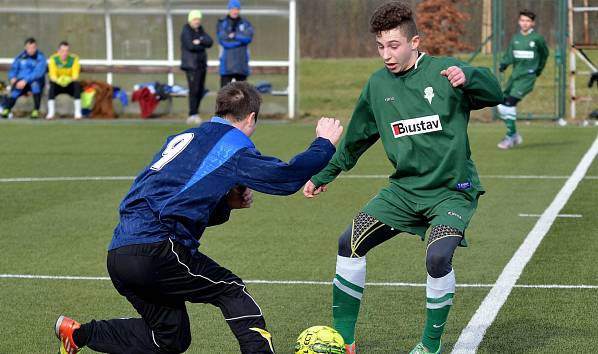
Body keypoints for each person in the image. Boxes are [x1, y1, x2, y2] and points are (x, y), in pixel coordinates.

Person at [54, 81, 343, 354]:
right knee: (230, 290)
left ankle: (78, 334)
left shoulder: (183, 137)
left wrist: (225, 204)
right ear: (252, 117)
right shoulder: (233, 145)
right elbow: (285, 178)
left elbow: (174, 199)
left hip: (120, 253)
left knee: (170, 338)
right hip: (157, 248)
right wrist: (324, 144)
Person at [302, 2, 503, 354]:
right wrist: (325, 173)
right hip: (403, 192)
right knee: (348, 242)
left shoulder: (444, 72)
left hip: (450, 192)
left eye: (394, 45)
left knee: (438, 258)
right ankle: (344, 342)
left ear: (415, 42)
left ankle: (429, 345)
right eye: (381, 47)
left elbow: (494, 92)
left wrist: (469, 77)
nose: (386, 55)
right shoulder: (377, 85)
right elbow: (357, 138)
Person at [497, 9, 549, 149]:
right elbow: (510, 55)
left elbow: (544, 55)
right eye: (522, 20)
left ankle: (510, 137)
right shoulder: (516, 38)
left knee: (510, 103)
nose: (524, 23)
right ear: (519, 22)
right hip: (515, 76)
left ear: (533, 23)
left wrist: (537, 70)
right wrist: (504, 63)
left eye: (528, 21)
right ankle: (514, 135)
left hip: (527, 77)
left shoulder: (537, 39)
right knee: (500, 104)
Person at [181, 10, 213, 124]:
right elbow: (190, 46)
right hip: (191, 66)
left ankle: (196, 112)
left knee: (200, 90)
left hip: (201, 65)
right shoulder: (186, 30)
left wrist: (199, 41)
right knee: (193, 90)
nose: (197, 21)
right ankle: (192, 114)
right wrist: (202, 44)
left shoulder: (200, 30)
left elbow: (210, 42)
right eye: (195, 19)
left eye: (198, 19)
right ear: (190, 20)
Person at [2, 38, 47, 119]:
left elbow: (38, 73)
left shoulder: (40, 58)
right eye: (29, 48)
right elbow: (14, 68)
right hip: (21, 82)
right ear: (25, 48)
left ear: (36, 47)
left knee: (35, 85)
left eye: (33, 48)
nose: (31, 50)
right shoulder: (20, 56)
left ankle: (35, 110)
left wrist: (25, 80)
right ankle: (6, 109)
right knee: (16, 90)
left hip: (33, 81)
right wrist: (12, 77)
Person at [217, 0, 253, 88]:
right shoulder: (222, 23)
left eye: (237, 9)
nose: (235, 11)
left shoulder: (245, 23)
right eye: (233, 9)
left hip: (242, 65)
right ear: (229, 9)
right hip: (226, 66)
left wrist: (235, 36)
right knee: (224, 96)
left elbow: (248, 38)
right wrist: (240, 42)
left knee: (242, 96)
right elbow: (223, 41)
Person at [46, 41, 82, 119]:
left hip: (69, 84)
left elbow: (75, 75)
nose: (65, 53)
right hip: (58, 84)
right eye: (62, 51)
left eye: (67, 51)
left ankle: (78, 112)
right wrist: (59, 80)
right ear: (58, 51)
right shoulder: (53, 59)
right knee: (51, 85)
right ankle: (51, 113)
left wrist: (68, 79)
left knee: (77, 85)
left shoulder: (74, 59)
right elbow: (52, 75)